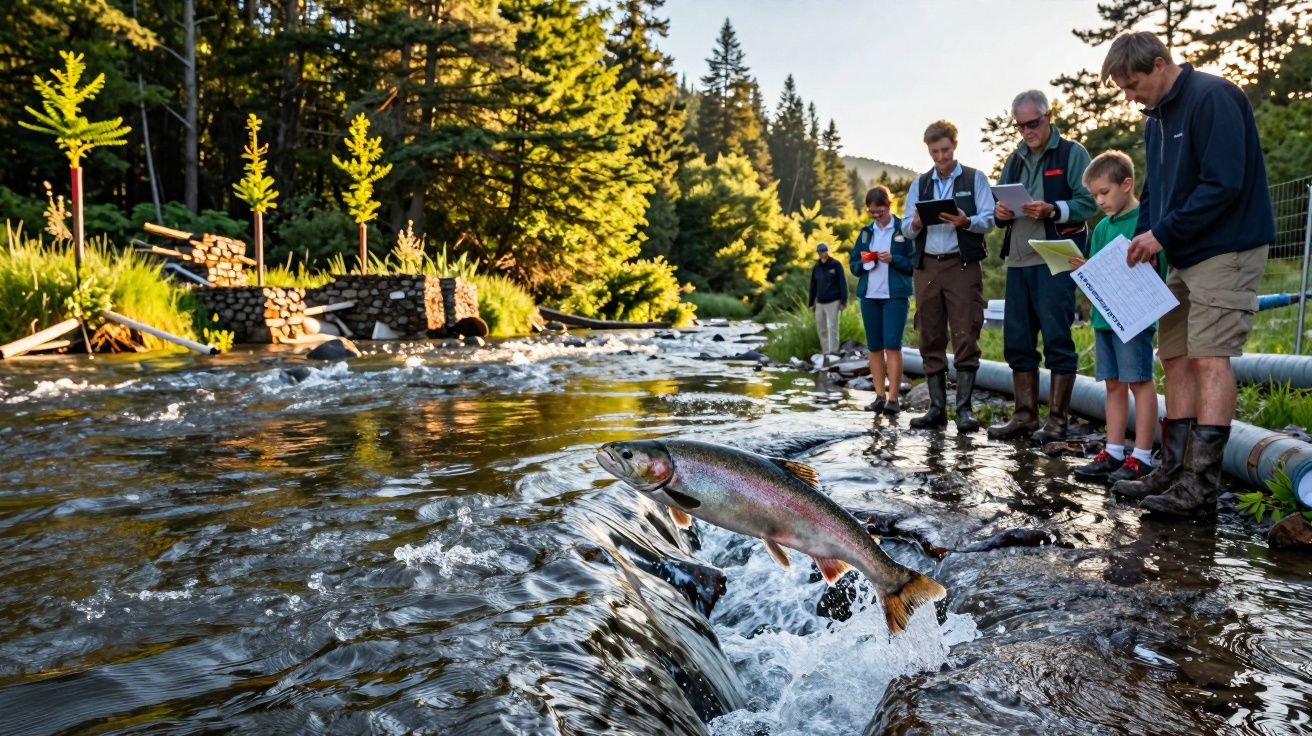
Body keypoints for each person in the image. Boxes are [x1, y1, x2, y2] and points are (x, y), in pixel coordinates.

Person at [1102, 32, 1274, 516]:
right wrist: (1138, 241)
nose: (1130, 96)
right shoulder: (1156, 121)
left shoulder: (1213, 97)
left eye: (1133, 84)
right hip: (1180, 251)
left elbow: (1223, 183)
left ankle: (1201, 486)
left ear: (1160, 65)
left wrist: (1163, 234)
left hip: (1228, 246)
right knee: (1174, 355)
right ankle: (1173, 469)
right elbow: (1155, 194)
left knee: (1209, 356)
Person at [987, 90, 1095, 444]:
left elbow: (1090, 201)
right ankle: (1024, 417)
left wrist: (1053, 209)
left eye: (1032, 123)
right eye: (1019, 126)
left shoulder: (1072, 153)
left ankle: (1058, 422)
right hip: (1019, 260)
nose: (1026, 132)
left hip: (1058, 257)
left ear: (1049, 116)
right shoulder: (1013, 160)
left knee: (1057, 338)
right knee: (1017, 341)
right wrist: (1000, 213)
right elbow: (1000, 206)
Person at [1066, 151, 1164, 483]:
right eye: (1094, 195)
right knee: (1112, 384)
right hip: (1103, 318)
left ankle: (1142, 455)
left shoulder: (1146, 223)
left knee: (1139, 380)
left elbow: (1155, 273)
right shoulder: (1101, 228)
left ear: (1127, 184)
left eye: (1104, 193)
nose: (1099, 201)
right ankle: (1113, 449)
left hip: (1134, 317)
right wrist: (1084, 270)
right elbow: (1099, 272)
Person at [901, 120, 996, 431]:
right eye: (934, 152)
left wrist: (965, 220)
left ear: (954, 145)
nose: (940, 157)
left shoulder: (975, 178)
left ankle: (964, 410)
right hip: (927, 264)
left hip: (962, 264)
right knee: (930, 333)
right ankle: (937, 409)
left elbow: (989, 220)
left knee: (966, 331)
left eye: (945, 150)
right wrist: (916, 223)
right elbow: (904, 228)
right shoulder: (919, 183)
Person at [850, 185, 914, 413]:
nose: (877, 216)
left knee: (892, 345)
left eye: (881, 211)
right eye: (872, 212)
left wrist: (894, 259)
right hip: (869, 296)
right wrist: (866, 263)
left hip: (894, 296)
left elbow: (914, 263)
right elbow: (854, 266)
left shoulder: (903, 230)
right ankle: (879, 396)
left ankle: (894, 399)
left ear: (889, 206)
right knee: (874, 347)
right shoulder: (866, 233)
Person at [807, 242, 847, 359]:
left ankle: (834, 352)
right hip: (819, 303)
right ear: (818, 253)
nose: (822, 253)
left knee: (833, 327)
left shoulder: (836, 265)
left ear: (827, 251)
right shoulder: (816, 267)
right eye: (820, 251)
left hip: (834, 301)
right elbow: (812, 286)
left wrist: (843, 302)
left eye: (824, 251)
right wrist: (811, 303)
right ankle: (825, 353)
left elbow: (842, 283)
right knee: (821, 328)